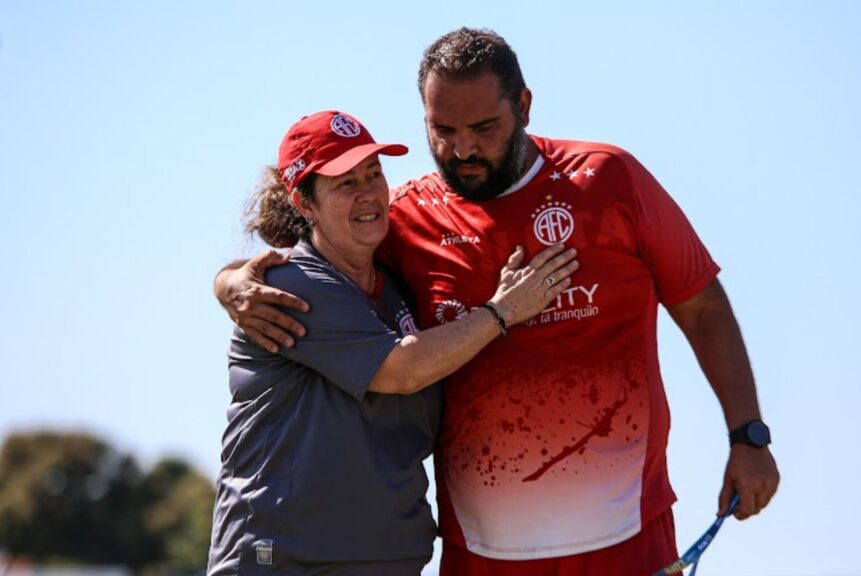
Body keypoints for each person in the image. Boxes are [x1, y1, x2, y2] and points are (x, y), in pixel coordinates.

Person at [215, 29, 780, 576]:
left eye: (484, 127)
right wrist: (229, 282)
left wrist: (747, 434)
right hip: (482, 551)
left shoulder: (611, 179)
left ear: (524, 106)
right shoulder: (404, 219)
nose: (463, 149)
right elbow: (313, 258)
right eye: (443, 130)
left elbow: (702, 306)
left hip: (626, 531)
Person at [207, 109, 578, 576]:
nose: (368, 193)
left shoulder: (392, 285)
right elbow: (402, 371)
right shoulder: (295, 284)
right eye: (345, 182)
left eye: (374, 173)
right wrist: (503, 311)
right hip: (286, 563)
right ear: (304, 204)